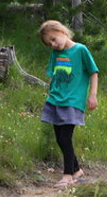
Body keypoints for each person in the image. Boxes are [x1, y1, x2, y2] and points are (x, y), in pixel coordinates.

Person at [39, 20, 99, 186]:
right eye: (49, 43)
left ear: (62, 31)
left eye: (53, 38)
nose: (53, 44)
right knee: (60, 138)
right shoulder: (55, 53)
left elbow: (93, 72)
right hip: (56, 100)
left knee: (66, 137)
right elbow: (53, 74)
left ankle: (67, 176)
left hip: (72, 101)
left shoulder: (80, 50)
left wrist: (92, 95)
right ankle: (76, 170)